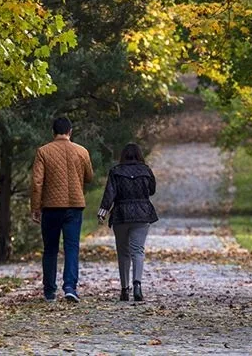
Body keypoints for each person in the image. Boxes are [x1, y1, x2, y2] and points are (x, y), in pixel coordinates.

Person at [30, 117, 94, 303]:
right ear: (70, 131)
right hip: (74, 205)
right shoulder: (81, 151)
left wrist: (35, 207)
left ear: (53, 132)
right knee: (72, 247)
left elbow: (37, 182)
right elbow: (89, 176)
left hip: (50, 207)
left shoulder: (43, 152)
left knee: (50, 249)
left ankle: (49, 291)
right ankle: (70, 287)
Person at [97, 143, 158, 302]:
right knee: (138, 250)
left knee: (123, 252)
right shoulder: (146, 170)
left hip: (121, 214)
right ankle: (137, 284)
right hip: (142, 214)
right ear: (139, 155)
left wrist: (103, 212)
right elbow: (151, 191)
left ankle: (124, 289)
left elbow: (110, 194)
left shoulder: (116, 172)